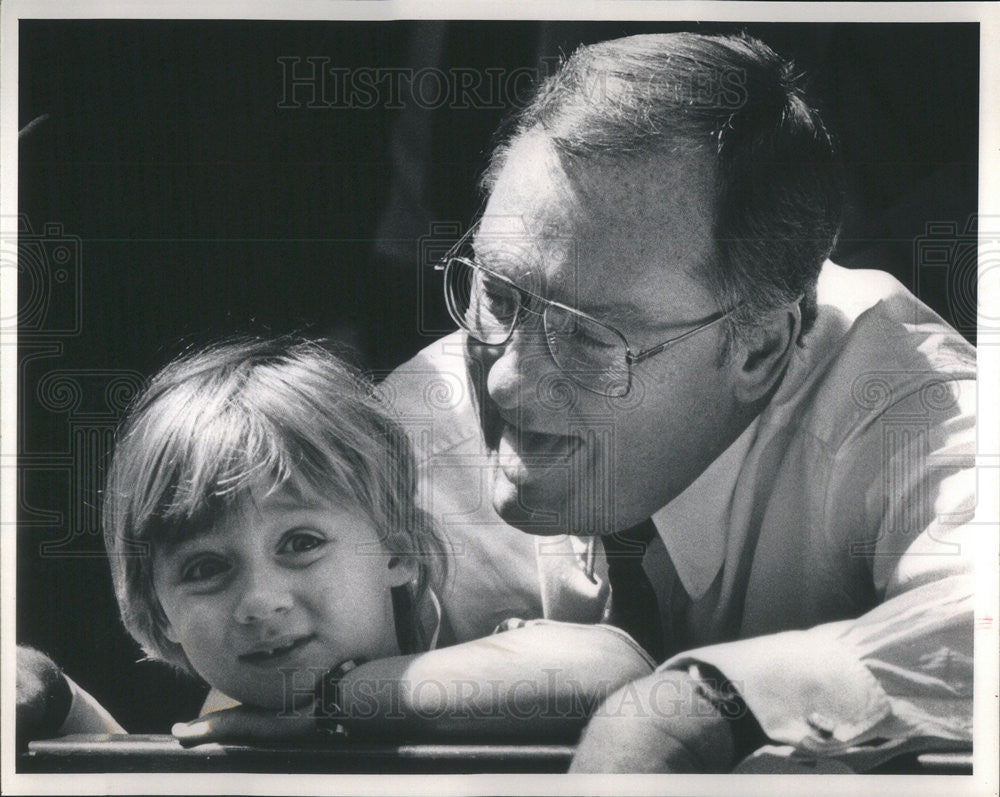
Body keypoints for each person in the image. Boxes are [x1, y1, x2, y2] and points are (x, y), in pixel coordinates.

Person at [382, 31, 977, 772]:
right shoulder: (416, 430)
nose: (505, 381)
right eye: (499, 295)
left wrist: (710, 703)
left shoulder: (905, 403)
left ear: (758, 349)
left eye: (591, 337)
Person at [89, 337, 652, 742]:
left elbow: (617, 673)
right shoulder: (220, 737)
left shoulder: (470, 663)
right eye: (204, 568)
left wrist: (336, 703)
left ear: (399, 550)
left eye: (301, 542)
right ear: (159, 613)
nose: (261, 601)